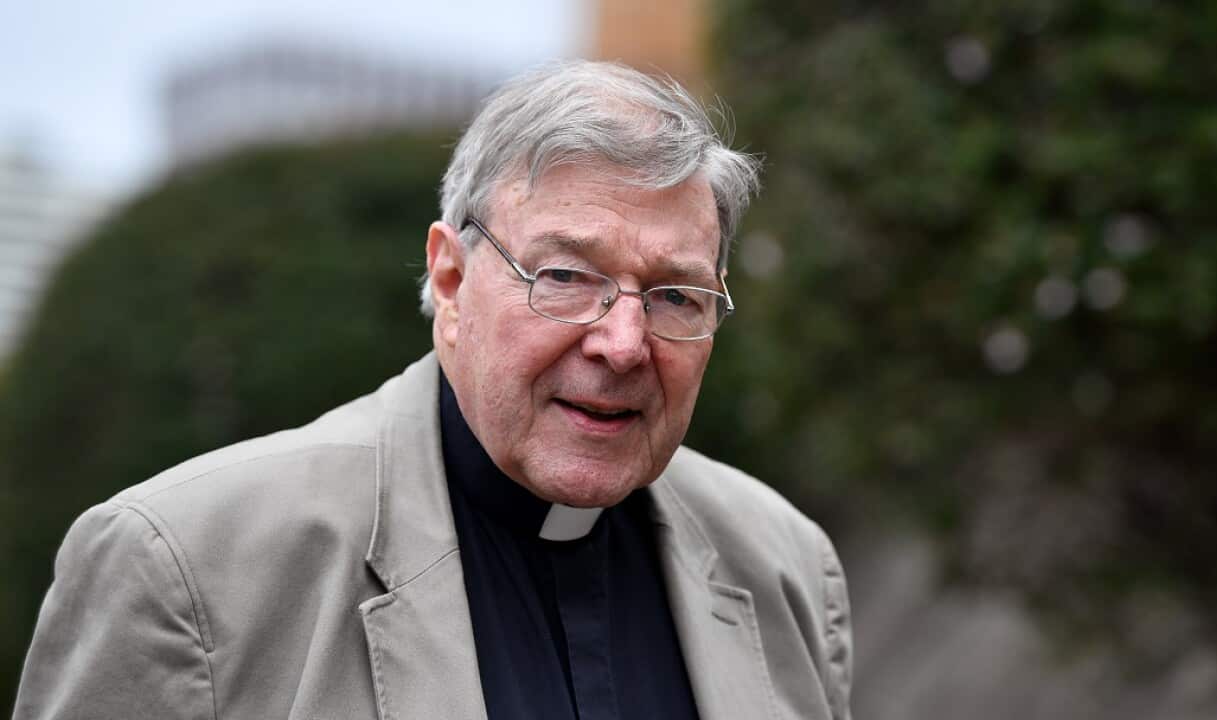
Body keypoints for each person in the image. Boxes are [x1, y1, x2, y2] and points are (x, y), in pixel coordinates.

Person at [14, 60, 852, 720]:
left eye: (674, 295)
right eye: (565, 276)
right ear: (450, 281)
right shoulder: (186, 568)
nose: (624, 343)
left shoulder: (784, 566)